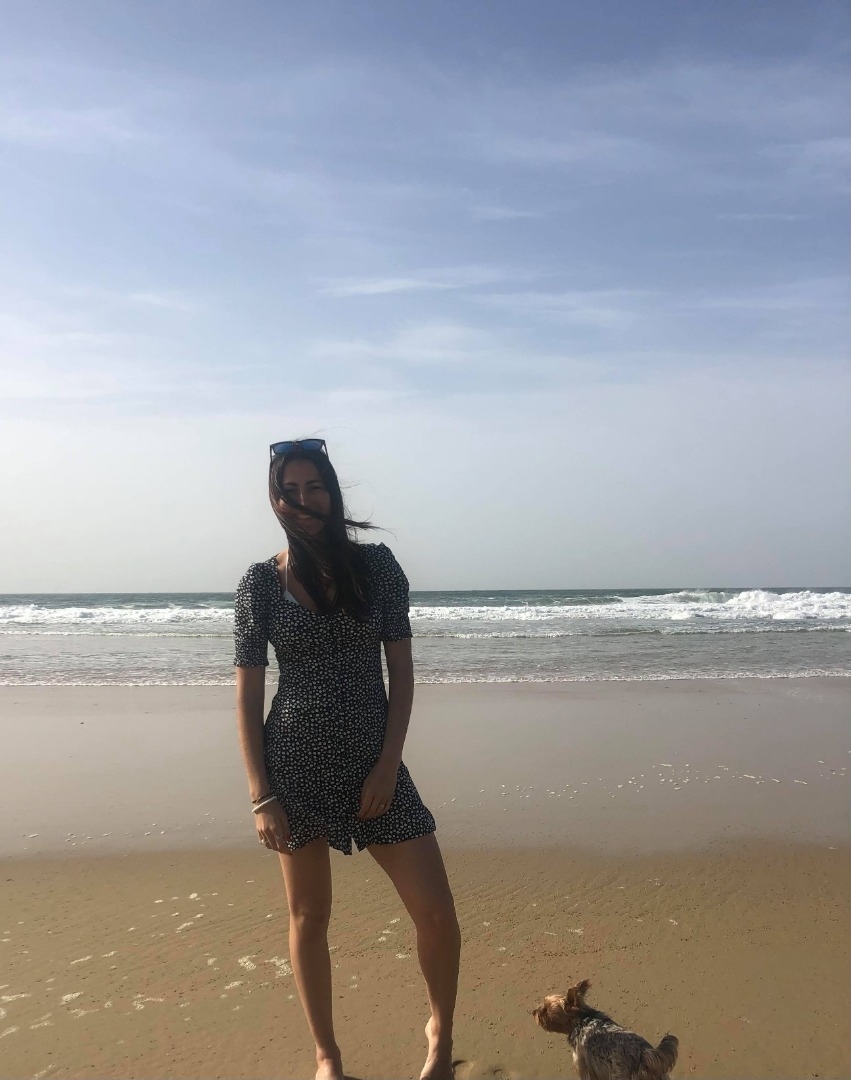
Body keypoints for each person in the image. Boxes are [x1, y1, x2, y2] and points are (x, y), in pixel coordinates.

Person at [233, 438, 461, 1080]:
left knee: (436, 912)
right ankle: (327, 1057)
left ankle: (440, 1038)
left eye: (315, 487)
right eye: (289, 491)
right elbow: (248, 692)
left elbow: (402, 672)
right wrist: (260, 793)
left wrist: (388, 763)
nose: (303, 502)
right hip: (293, 767)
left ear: (332, 492)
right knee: (309, 917)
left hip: (373, 763)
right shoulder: (260, 583)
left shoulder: (377, 568)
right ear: (274, 499)